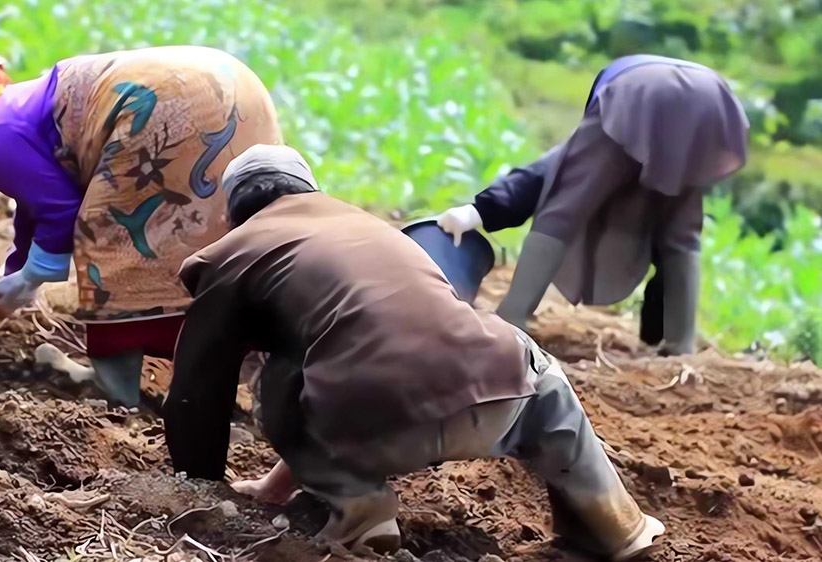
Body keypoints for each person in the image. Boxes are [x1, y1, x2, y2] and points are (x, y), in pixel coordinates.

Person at [163, 144, 665, 561]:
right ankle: (613, 525)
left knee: (276, 377)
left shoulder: (232, 253)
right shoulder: (364, 224)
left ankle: (360, 508)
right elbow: (404, 338)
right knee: (539, 374)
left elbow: (198, 389)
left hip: (377, 423)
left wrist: (198, 485)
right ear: (309, 190)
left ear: (234, 212)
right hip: (500, 398)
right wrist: (278, 484)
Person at [0, 46, 283, 405]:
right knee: (216, 229)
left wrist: (35, 274)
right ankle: (258, 355)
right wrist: (9, 289)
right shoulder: (1, 114)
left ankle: (115, 388)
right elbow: (34, 204)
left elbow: (59, 208)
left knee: (116, 242)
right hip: (226, 84)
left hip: (167, 104)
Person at [438, 54, 749, 355]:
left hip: (639, 91)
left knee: (563, 209)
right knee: (681, 234)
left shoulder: (614, 120)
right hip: (714, 101)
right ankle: (680, 345)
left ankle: (513, 317)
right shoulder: (646, 128)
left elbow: (544, 177)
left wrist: (476, 211)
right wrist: (478, 212)